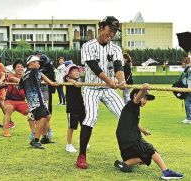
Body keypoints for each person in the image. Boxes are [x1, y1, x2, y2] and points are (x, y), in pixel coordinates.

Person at [76, 16, 126, 169]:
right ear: (101, 28)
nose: (112, 33)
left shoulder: (116, 48)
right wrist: (109, 81)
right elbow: (94, 67)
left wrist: (121, 80)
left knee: (126, 116)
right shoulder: (88, 46)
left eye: (115, 31)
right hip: (92, 88)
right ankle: (82, 155)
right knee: (91, 117)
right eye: (110, 30)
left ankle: (130, 154)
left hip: (108, 89)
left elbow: (118, 67)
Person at [114, 84, 183, 180]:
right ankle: (166, 172)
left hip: (124, 137)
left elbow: (134, 123)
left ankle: (124, 164)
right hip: (131, 137)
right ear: (135, 96)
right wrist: (143, 88)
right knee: (151, 150)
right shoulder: (133, 104)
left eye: (146, 99)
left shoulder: (132, 108)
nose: (145, 101)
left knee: (146, 157)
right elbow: (138, 98)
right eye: (144, 98)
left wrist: (144, 131)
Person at [19, 55, 57, 149]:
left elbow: (20, 87)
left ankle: (44, 138)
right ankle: (35, 140)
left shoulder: (24, 74)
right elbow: (42, 75)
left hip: (31, 101)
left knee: (47, 116)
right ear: (31, 63)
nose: (39, 64)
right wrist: (51, 83)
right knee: (43, 117)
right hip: (37, 100)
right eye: (37, 62)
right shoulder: (35, 71)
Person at [2, 60, 34, 137]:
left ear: (24, 68)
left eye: (22, 67)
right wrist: (23, 82)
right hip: (10, 100)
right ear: (14, 69)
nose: (20, 68)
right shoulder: (10, 75)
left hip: (21, 102)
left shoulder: (27, 77)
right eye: (18, 67)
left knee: (32, 111)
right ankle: (5, 131)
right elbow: (13, 79)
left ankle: (34, 132)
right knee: (8, 109)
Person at [63, 63, 85, 153]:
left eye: (77, 70)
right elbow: (71, 82)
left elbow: (78, 84)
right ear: (69, 73)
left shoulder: (79, 79)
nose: (77, 72)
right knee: (71, 126)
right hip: (72, 107)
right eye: (74, 71)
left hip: (81, 106)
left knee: (84, 125)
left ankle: (83, 141)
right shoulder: (68, 80)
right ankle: (68, 145)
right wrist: (74, 82)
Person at [181, 54, 191, 124]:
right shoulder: (188, 69)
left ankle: (189, 118)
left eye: (183, 62)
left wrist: (188, 88)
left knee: (187, 102)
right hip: (188, 87)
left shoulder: (188, 69)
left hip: (188, 88)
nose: (181, 64)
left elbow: (189, 79)